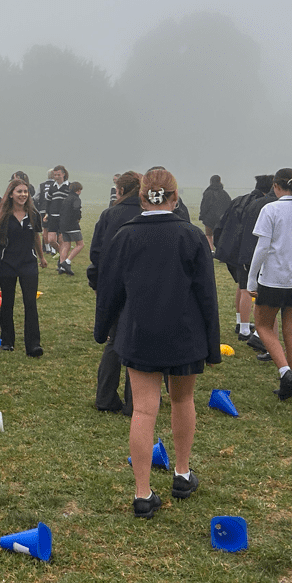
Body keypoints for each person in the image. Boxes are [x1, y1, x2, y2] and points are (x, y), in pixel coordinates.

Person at [94, 166, 221, 518]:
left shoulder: (124, 236)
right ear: (175, 197)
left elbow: (109, 290)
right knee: (182, 400)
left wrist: (102, 330)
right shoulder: (192, 236)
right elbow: (207, 296)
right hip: (185, 334)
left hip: (139, 334)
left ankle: (142, 493)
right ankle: (182, 473)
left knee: (144, 410)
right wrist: (213, 346)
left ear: (140, 197)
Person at [246, 168, 292, 400]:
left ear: (276, 187)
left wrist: (251, 278)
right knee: (291, 331)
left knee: (263, 326)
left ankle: (285, 372)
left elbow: (262, 248)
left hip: (273, 280)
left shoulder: (270, 209)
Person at [88, 171, 141, 414]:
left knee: (113, 340)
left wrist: (98, 282)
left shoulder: (109, 214)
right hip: (141, 286)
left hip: (112, 284)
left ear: (119, 191)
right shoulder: (147, 213)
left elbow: (96, 253)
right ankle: (136, 400)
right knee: (138, 344)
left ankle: (105, 397)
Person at [0, 178, 46, 356]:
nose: (23, 195)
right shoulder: (3, 215)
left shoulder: (33, 214)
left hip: (28, 264)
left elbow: (36, 237)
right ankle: (7, 341)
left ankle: (33, 345)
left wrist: (42, 257)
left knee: (30, 303)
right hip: (7, 264)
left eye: (25, 192)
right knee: (7, 303)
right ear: (11, 194)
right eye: (19, 191)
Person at [213, 174, 275, 350]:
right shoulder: (261, 204)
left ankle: (241, 322)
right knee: (248, 288)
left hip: (232, 249)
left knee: (241, 286)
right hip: (247, 250)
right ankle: (245, 330)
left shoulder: (240, 200)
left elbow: (221, 224)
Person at [199, 174, 232, 252]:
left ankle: (211, 251)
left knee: (209, 235)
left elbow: (204, 206)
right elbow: (229, 206)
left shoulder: (207, 193)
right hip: (221, 219)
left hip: (209, 219)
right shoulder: (224, 194)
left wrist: (202, 216)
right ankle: (220, 251)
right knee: (221, 236)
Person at [58, 182, 85, 275]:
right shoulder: (76, 199)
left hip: (63, 225)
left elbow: (61, 212)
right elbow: (76, 210)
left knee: (66, 245)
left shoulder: (66, 199)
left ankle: (62, 267)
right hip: (72, 225)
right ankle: (67, 262)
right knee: (80, 244)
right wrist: (78, 219)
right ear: (78, 190)